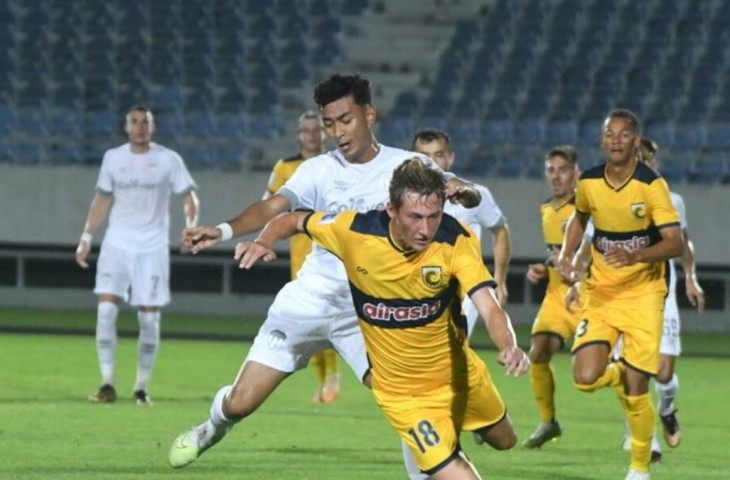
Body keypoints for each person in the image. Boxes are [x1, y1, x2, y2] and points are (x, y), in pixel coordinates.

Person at [168, 74, 481, 470]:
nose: (337, 132)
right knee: (241, 402)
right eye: (330, 123)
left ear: (370, 115)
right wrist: (224, 230)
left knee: (407, 394)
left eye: (345, 120)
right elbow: (273, 208)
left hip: (368, 315)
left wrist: (463, 191)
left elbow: (463, 191)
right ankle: (210, 429)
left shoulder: (407, 166)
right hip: (310, 303)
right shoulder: (318, 170)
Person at [234, 158, 529, 479]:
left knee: (505, 440)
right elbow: (292, 220)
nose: (425, 228)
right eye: (415, 217)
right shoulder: (355, 231)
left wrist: (509, 345)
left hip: (460, 376)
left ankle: (459, 429)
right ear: (391, 209)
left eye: (433, 216)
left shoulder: (454, 240)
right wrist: (263, 241)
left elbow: (487, 305)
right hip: (404, 395)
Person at [557, 109, 683, 480]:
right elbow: (579, 218)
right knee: (585, 377)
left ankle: (639, 468)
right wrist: (567, 256)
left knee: (638, 385)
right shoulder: (590, 182)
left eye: (623, 134)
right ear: (601, 140)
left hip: (644, 293)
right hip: (601, 294)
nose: (615, 139)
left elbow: (674, 242)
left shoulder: (651, 185)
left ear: (635, 141)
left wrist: (636, 254)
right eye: (609, 133)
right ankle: (621, 373)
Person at [569, 137, 705, 461]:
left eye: (646, 157)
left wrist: (691, 278)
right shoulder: (605, 195)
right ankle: (644, 441)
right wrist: (574, 274)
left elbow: (683, 243)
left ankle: (667, 407)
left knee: (662, 371)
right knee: (633, 374)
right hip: (616, 294)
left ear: (652, 163)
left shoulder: (668, 197)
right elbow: (589, 240)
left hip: (657, 291)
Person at [75, 105, 199, 406]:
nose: (140, 127)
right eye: (135, 122)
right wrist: (86, 237)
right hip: (116, 244)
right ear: (126, 126)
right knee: (105, 311)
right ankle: (107, 383)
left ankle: (141, 387)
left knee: (149, 320)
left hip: (152, 247)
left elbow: (189, 197)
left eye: (146, 122)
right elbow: (102, 199)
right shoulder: (113, 158)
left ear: (152, 127)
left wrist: (191, 227)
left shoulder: (168, 159)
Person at [262, 110, 341, 404]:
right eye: (306, 130)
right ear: (298, 135)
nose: (311, 135)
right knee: (310, 318)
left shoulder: (337, 163)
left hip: (332, 249)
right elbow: (268, 203)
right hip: (300, 252)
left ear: (324, 133)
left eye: (316, 129)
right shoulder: (285, 166)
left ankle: (333, 376)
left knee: (329, 314)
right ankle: (324, 384)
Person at [411, 128, 511, 311]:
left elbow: (499, 229)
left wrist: (500, 280)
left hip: (463, 291)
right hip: (413, 288)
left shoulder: (470, 191)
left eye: (438, 155)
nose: (432, 163)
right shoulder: (398, 197)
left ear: (450, 158)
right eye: (424, 156)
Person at [522, 145, 582, 448]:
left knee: (594, 373)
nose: (556, 177)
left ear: (576, 173)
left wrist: (571, 269)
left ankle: (635, 429)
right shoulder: (547, 209)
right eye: (551, 170)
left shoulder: (586, 208)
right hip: (558, 295)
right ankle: (548, 422)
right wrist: (544, 269)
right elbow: (556, 254)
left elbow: (592, 254)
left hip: (589, 295)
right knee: (539, 352)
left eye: (563, 169)